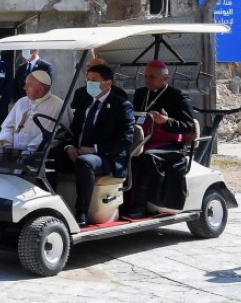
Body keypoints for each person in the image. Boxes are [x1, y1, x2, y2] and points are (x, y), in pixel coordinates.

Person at [53, 64, 135, 227]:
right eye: (88, 79)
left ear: (108, 83)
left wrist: (95, 149)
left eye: (94, 80)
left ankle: (81, 212)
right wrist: (69, 147)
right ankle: (51, 206)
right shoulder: (85, 103)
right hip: (81, 151)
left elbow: (126, 140)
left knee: (85, 162)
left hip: (107, 157)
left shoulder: (121, 105)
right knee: (50, 155)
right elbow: (72, 132)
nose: (90, 84)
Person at [122, 60, 197, 217]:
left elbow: (188, 125)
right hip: (143, 140)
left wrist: (166, 121)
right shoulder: (141, 93)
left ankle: (141, 205)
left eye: (152, 76)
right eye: (146, 76)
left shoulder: (177, 96)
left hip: (170, 144)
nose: (147, 79)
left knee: (148, 158)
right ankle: (122, 202)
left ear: (165, 78)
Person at [0, 69, 64, 162]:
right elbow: (8, 126)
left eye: (28, 85)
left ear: (40, 89)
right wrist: (6, 145)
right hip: (11, 149)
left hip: (36, 152)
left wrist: (26, 150)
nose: (24, 88)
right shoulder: (22, 102)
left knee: (24, 158)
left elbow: (55, 135)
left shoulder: (59, 106)